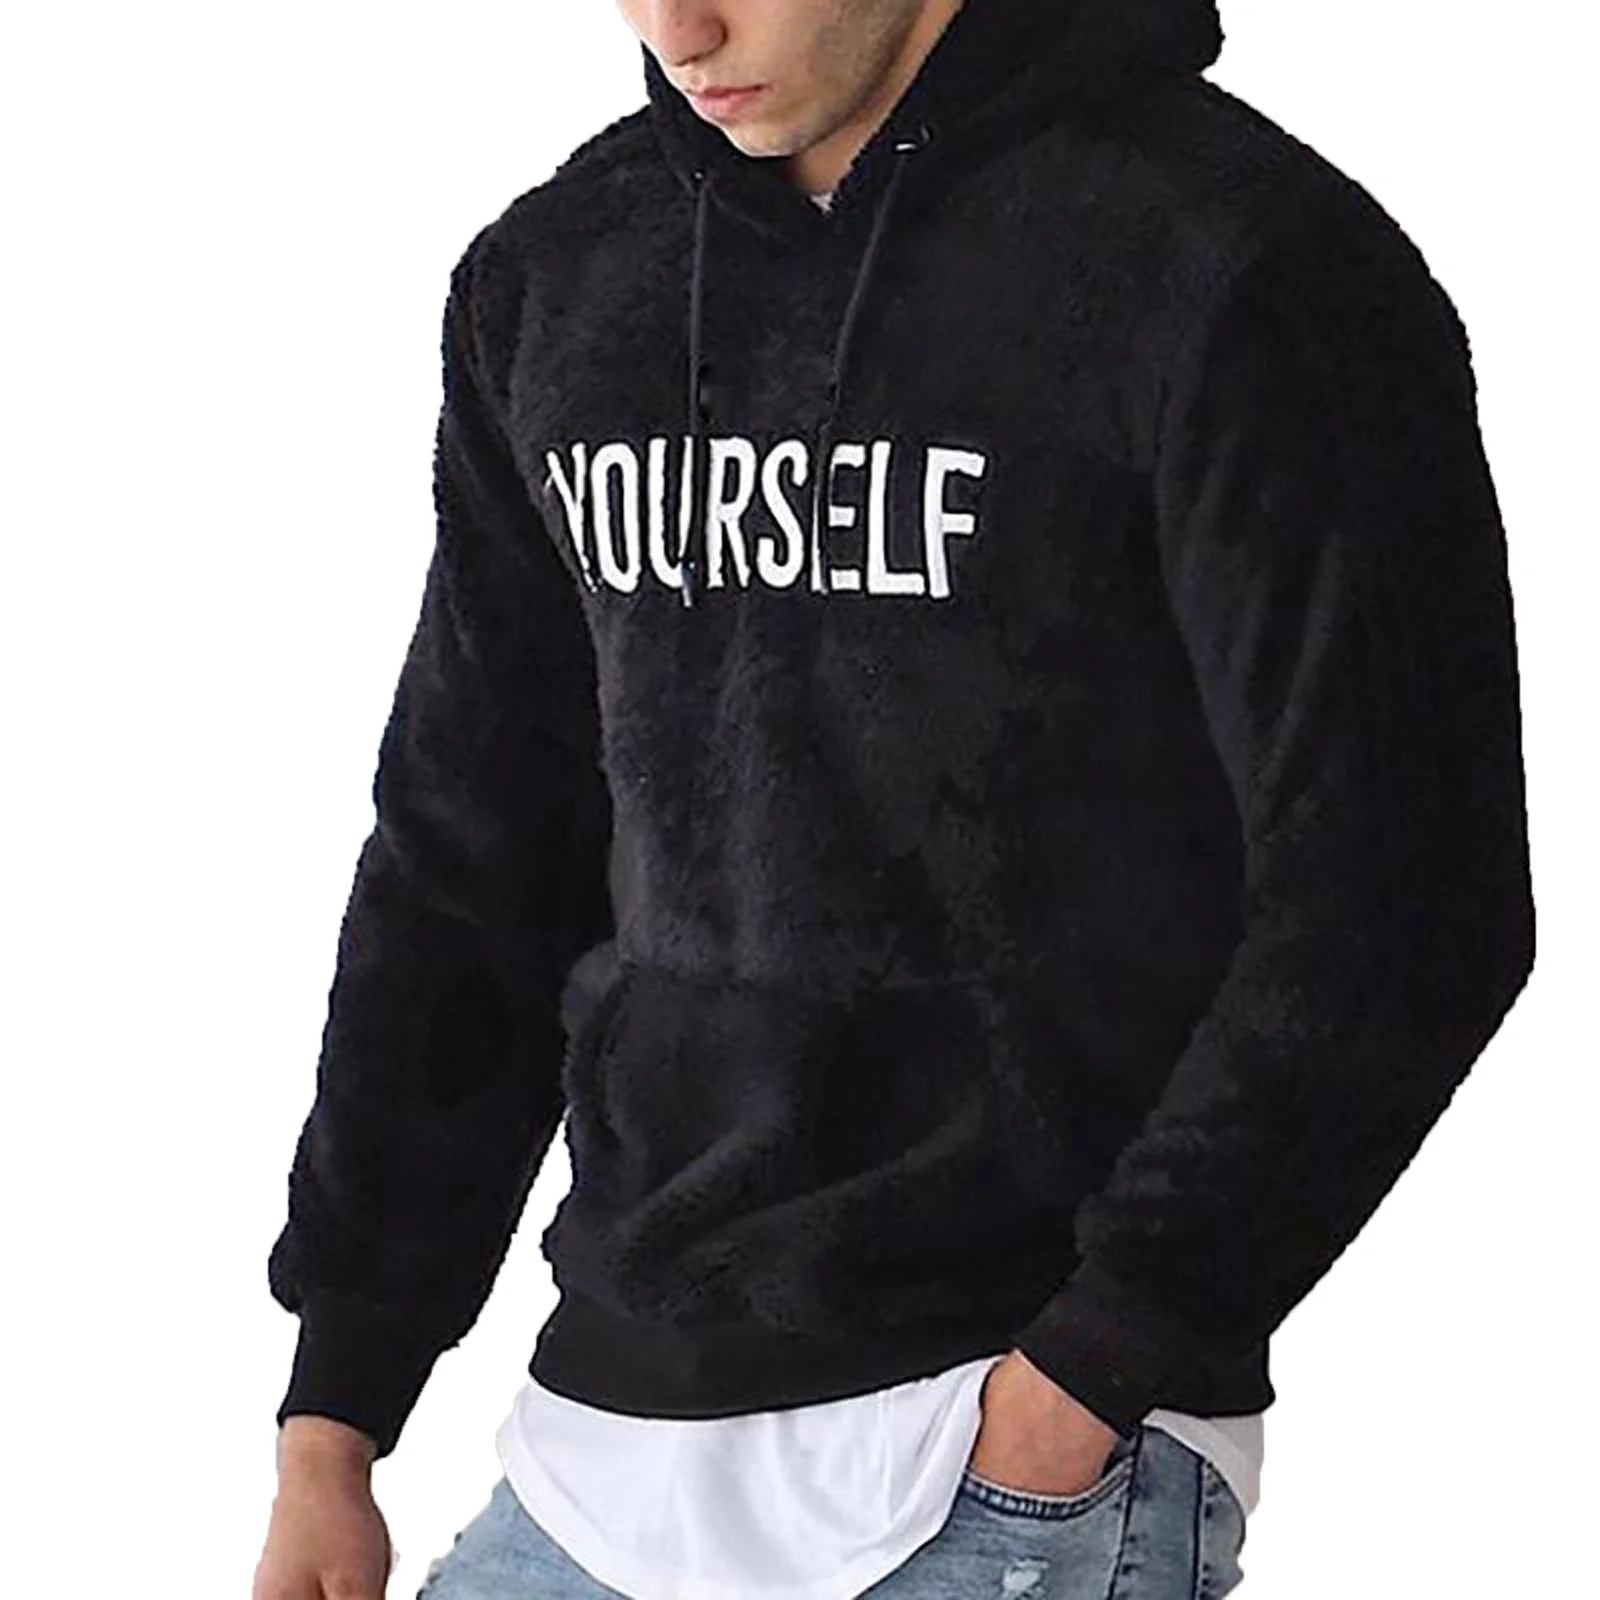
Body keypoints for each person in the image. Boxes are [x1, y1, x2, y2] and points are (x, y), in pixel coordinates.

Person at [252, 0, 1537, 1595]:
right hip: (600, 1438)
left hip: (999, 1446)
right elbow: (472, 861)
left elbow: (1406, 892)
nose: (678, 27)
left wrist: (1099, 1362)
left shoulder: (1238, 265)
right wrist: (338, 1407)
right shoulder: (563, 275)